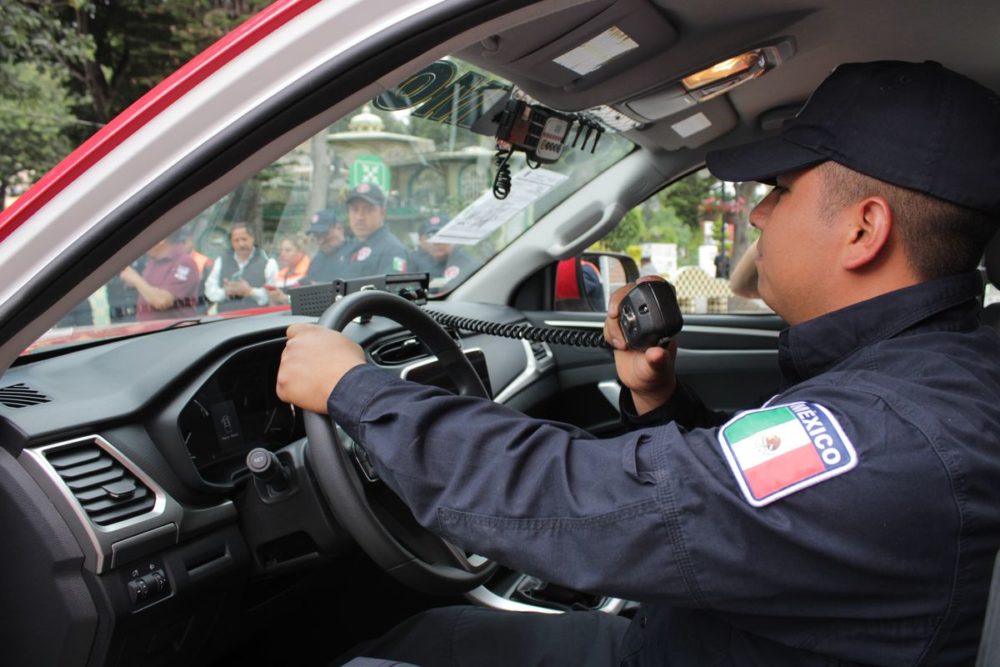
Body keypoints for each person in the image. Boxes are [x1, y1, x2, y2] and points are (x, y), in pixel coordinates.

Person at [276, 60, 1000, 665]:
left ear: (863, 229)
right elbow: (747, 501)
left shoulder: (894, 435)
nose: (757, 215)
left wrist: (356, 390)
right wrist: (659, 402)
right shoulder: (916, 378)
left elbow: (590, 504)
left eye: (779, 191)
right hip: (704, 635)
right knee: (425, 637)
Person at [119, 229, 200, 321]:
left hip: (172, 332)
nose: (141, 243)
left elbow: (162, 301)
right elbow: (150, 291)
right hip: (150, 330)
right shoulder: (154, 260)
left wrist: (136, 280)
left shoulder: (184, 262)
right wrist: (134, 283)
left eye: (144, 238)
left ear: (161, 240)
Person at [204, 222, 278, 313]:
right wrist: (225, 292)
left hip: (257, 319)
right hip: (225, 318)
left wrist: (250, 291)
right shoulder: (221, 261)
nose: (241, 244)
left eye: (244, 239)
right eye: (236, 240)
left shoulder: (268, 263)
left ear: (252, 238)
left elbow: (273, 296)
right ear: (231, 242)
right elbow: (209, 291)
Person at [340, 183, 409, 278]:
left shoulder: (393, 251)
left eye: (368, 210)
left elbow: (389, 291)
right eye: (354, 210)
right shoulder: (350, 248)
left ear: (382, 213)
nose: (360, 217)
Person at [408, 214, 478, 293]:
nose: (437, 243)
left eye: (443, 236)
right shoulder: (413, 263)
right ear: (421, 241)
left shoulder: (468, 264)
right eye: (431, 237)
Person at [303, 209, 349, 285]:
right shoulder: (316, 260)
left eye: (324, 233)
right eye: (316, 236)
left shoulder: (354, 253)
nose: (321, 241)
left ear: (339, 228)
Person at [267, 233, 312, 304]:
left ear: (301, 252)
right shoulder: (281, 274)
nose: (282, 254)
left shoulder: (310, 272)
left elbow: (309, 301)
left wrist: (285, 299)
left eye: (288, 250)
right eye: (281, 250)